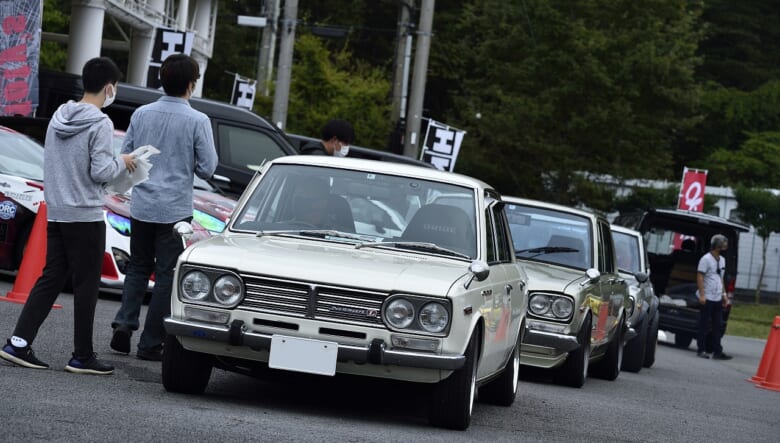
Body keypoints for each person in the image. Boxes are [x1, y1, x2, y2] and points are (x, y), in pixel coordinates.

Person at [0, 57, 136, 375]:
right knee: (87, 285)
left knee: (51, 277)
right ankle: (82, 356)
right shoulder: (100, 123)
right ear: (109, 87)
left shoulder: (60, 116)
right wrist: (125, 161)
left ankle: (18, 343)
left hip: (58, 209)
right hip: (85, 213)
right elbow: (101, 170)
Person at [110, 54, 218, 361]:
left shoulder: (142, 114)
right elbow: (208, 168)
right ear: (190, 83)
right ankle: (150, 342)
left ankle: (124, 324)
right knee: (167, 274)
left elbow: (126, 155)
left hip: (142, 203)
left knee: (138, 266)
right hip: (174, 210)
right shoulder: (198, 120)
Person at [696, 234, 732, 360]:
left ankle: (718, 351)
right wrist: (702, 295)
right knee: (704, 324)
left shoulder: (722, 260)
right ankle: (701, 349)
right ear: (717, 245)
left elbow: (720, 278)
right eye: (724, 243)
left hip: (717, 297)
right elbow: (700, 276)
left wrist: (724, 295)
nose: (726, 245)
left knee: (718, 325)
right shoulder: (705, 259)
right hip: (708, 297)